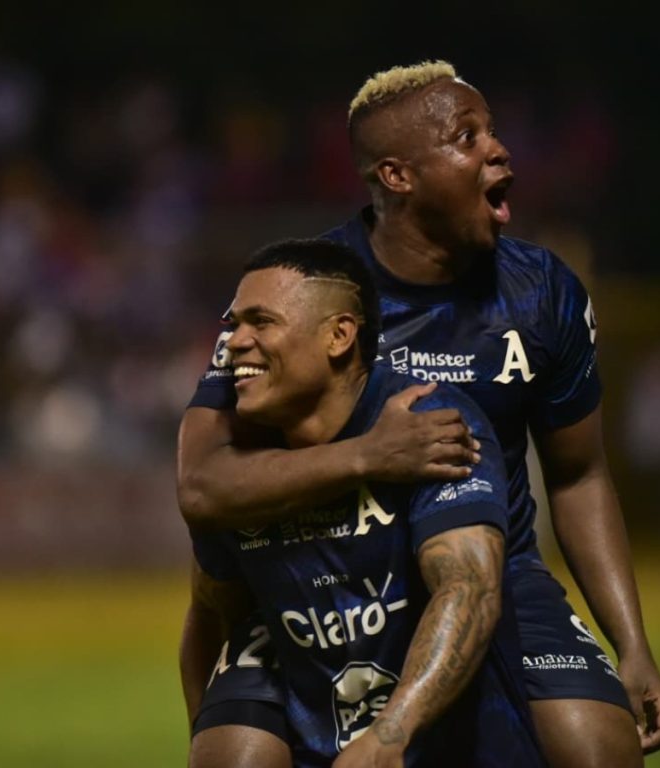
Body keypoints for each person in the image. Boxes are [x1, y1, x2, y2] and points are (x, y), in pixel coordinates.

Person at [179, 60, 660, 768]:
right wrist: (370, 456)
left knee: (596, 746)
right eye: (467, 138)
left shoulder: (542, 294)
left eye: (493, 133)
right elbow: (202, 484)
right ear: (397, 176)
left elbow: (578, 475)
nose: (498, 151)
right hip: (314, 565)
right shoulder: (306, 296)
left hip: (483, 561)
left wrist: (633, 646)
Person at [189, 237, 540, 767]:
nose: (234, 342)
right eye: (233, 324)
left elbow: (467, 587)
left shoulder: (433, 423)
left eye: (260, 322)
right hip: (303, 699)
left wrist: (389, 737)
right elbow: (210, 609)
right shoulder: (236, 464)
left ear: (338, 336)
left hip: (436, 721)